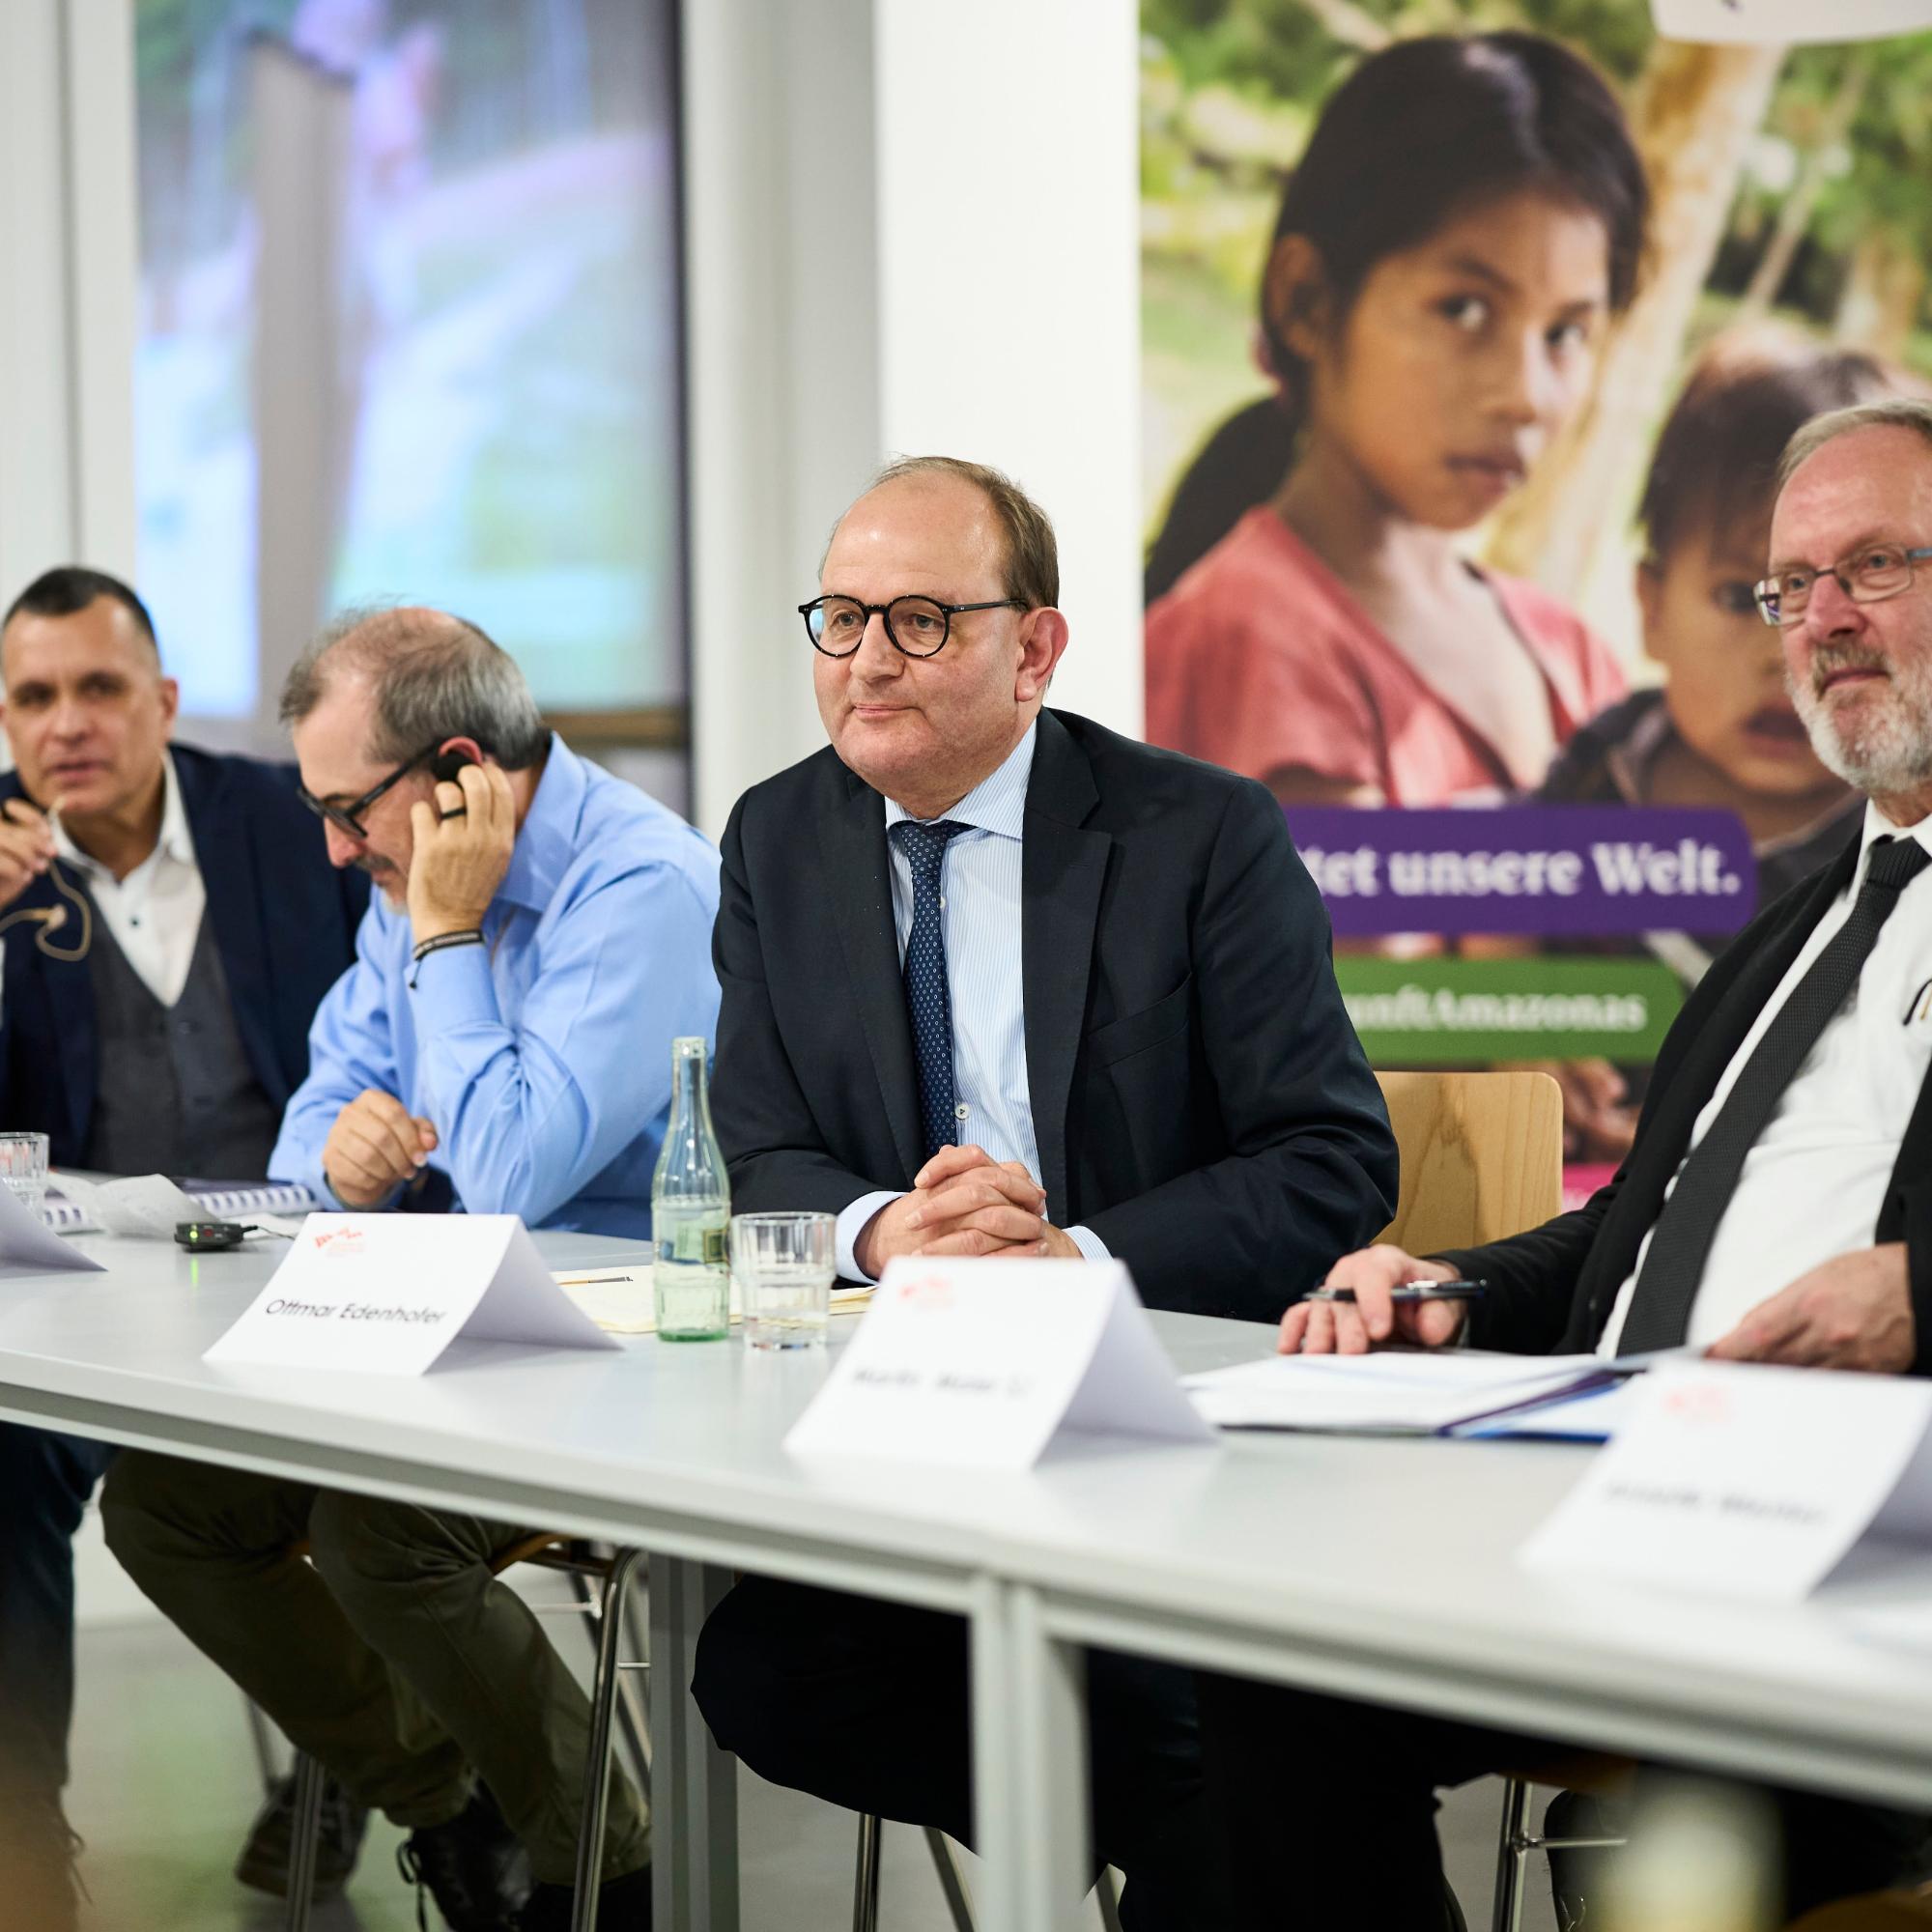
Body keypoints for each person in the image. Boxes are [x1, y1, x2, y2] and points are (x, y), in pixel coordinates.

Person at [1198, 398, 1932, 1927]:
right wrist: (1454, 1285)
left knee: (1723, 1806)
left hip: (1851, 1531)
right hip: (1602, 1473)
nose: (1825, 623)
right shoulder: (1786, 928)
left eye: (1877, 567)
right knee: (1260, 1689)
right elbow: (1638, 1240)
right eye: (1790, 588)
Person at [693, 456, 1397, 1929]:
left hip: (1166, 1413)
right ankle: (1203, 1832)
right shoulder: (778, 834)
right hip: (917, 1411)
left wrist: (1067, 1258)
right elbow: (758, 1147)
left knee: (1188, 1700)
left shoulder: (1200, 834)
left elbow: (1331, 1162)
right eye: (840, 619)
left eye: (923, 621)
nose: (868, 660)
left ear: (1037, 648)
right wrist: (898, 1234)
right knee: (759, 1669)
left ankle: (1217, 1841)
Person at [101, 606, 721, 1931]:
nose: (334, 846)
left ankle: (603, 1872)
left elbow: (508, 1174)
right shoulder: (400, 882)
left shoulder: (640, 887)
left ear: (453, 773)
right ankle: (465, 1801)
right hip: (443, 1333)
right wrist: (350, 1163)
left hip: (622, 1354)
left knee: (378, 1533)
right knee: (163, 1505)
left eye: (347, 809)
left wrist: (446, 935)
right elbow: (307, 1140)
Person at [0, 566, 366, 1928]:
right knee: (1, 1469)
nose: (67, 724)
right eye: (33, 698)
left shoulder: (288, 826)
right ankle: (24, 1838)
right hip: (88, 1306)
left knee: (356, 1489)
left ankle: (360, 1755)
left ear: (160, 700)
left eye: (100, 688)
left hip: (303, 1275)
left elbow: (393, 1030)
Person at [1143, 31, 1643, 807]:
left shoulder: (1570, 654)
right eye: (1465, 309)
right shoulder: (1244, 648)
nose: (1527, 395)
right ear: (1305, 301)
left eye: (1566, 334)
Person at [1535, 334, 1906, 1161]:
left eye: (1855, 592)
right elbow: (1496, 898)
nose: (1790, 651)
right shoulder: (1611, 757)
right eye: (1748, 595)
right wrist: (1520, 1035)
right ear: (1652, 604)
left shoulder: (1885, 842)